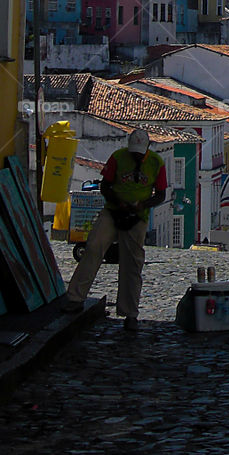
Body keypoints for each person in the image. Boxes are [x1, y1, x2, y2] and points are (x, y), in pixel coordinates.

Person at [63, 128, 166, 331]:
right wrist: (117, 202)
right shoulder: (118, 157)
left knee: (132, 263)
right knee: (93, 247)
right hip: (112, 211)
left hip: (137, 216)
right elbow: (105, 185)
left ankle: (130, 313)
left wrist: (142, 205)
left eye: (139, 152)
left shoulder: (156, 163)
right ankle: (75, 298)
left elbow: (161, 194)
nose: (135, 155)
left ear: (147, 149)